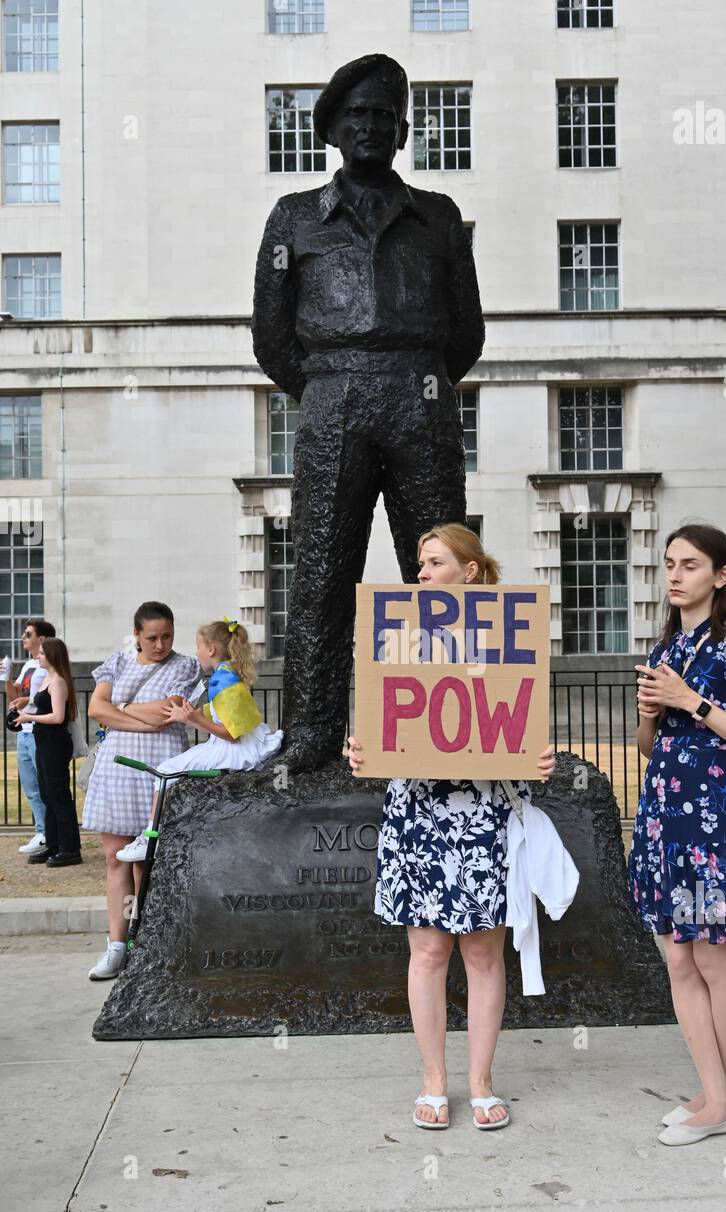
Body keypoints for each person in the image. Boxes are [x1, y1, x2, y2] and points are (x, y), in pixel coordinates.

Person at [252, 52, 484, 773]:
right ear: (333, 129)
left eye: (384, 116)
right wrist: (326, 384)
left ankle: (453, 730)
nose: (371, 127)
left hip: (419, 397)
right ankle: (314, 734)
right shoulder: (294, 217)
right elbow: (270, 335)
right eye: (357, 116)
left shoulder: (439, 218)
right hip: (333, 398)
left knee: (444, 568)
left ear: (403, 129)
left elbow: (468, 332)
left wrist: (417, 379)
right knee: (321, 569)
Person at [347, 524, 555, 1132]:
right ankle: (434, 1082)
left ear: (468, 572)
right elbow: (386, 713)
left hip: (486, 809)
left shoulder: (507, 632)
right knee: (429, 948)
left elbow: (521, 716)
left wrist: (538, 756)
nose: (422, 573)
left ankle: (482, 1081)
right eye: (419, 563)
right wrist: (366, 748)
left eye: (434, 562)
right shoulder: (400, 633)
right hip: (418, 809)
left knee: (485, 951)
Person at [627, 523, 726, 1146]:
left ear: (720, 575)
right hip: (665, 819)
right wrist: (647, 715)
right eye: (668, 564)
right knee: (678, 957)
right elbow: (648, 750)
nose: (674, 575)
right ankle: (717, 1089)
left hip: (712, 824)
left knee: (715, 957)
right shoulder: (666, 648)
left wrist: (692, 702)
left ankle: (721, 1099)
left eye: (689, 565)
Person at [82, 602, 200, 980]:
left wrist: (122, 707)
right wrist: (139, 715)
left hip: (160, 769)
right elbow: (95, 709)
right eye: (152, 637)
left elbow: (169, 709)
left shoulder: (185, 666)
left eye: (167, 635)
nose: (160, 644)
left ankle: (148, 939)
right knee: (117, 858)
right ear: (136, 635)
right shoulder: (117, 661)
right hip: (118, 770)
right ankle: (118, 944)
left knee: (150, 861)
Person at [116, 618, 282, 861]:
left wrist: (193, 719)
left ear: (211, 649)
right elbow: (223, 714)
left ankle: (151, 835)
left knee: (165, 771)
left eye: (198, 646)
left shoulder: (225, 682)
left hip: (234, 749)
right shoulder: (225, 676)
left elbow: (230, 733)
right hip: (237, 745)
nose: (196, 652)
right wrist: (191, 714)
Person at [14, 637, 82, 867]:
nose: (38, 656)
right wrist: (24, 703)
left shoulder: (59, 682)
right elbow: (40, 702)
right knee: (46, 793)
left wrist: (28, 717)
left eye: (42, 653)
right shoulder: (46, 679)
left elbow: (58, 717)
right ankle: (53, 844)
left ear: (52, 656)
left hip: (55, 742)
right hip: (43, 740)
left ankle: (70, 848)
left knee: (58, 794)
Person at [4, 618, 56, 854]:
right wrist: (7, 677)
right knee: (30, 786)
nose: (22, 638)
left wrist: (30, 702)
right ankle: (41, 831)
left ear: (42, 639)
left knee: (45, 784)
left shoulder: (50, 665)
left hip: (39, 730)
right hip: (24, 731)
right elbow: (15, 696)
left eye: (27, 634)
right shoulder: (28, 665)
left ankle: (50, 834)